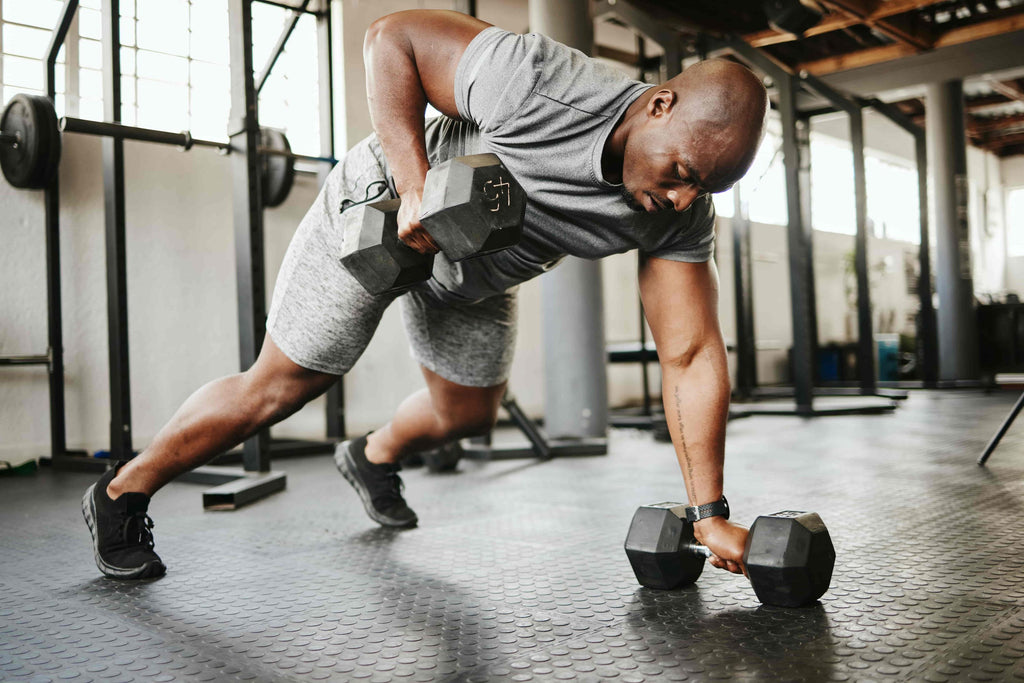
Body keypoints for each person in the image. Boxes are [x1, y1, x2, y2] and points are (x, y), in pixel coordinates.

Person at [81, 9, 767, 581]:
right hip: (381, 213)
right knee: (282, 385)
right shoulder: (537, 82)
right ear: (659, 104)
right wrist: (414, 188)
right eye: (680, 170)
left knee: (468, 411)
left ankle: (373, 453)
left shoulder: (676, 214)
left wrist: (708, 512)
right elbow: (392, 38)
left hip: (481, 264)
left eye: (701, 187)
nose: (680, 196)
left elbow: (690, 354)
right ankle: (121, 492)